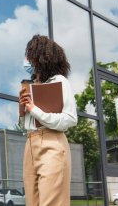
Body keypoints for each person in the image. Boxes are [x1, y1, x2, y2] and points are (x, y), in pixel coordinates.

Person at [19, 34, 77, 206]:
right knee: (32, 202)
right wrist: (22, 111)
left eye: (29, 55)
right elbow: (26, 126)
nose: (26, 60)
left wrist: (34, 110)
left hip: (52, 144)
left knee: (51, 202)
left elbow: (70, 119)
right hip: (30, 143)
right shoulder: (32, 86)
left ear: (41, 57)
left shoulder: (59, 81)